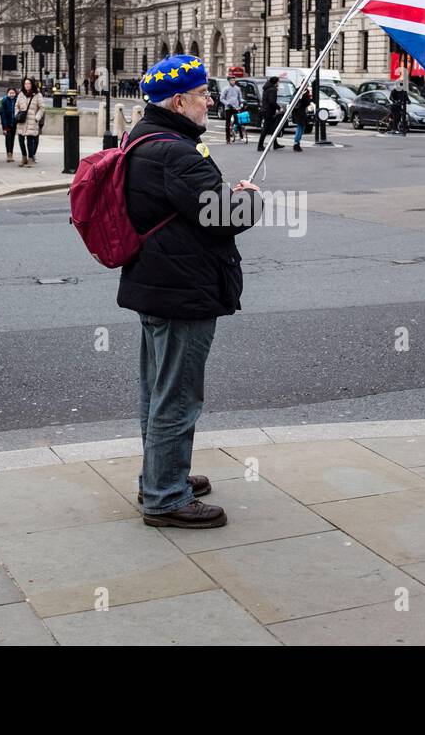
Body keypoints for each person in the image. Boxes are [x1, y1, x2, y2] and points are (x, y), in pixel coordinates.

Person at [119, 54, 261, 529]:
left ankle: (161, 475)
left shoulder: (143, 136)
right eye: (202, 94)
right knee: (177, 396)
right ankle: (164, 497)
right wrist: (249, 199)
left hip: (157, 281)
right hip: (182, 287)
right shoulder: (176, 152)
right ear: (179, 101)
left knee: (158, 390)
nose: (210, 101)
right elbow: (224, 218)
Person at [15, 77, 45, 167]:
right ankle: (24, 157)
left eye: (28, 83)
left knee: (30, 140)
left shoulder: (37, 95)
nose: (27, 85)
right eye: (25, 84)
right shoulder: (21, 94)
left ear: (32, 84)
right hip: (22, 120)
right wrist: (16, 114)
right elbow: (16, 106)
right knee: (20, 139)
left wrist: (37, 118)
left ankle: (30, 158)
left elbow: (42, 107)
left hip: (32, 120)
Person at [257, 75, 283, 151]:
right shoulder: (272, 90)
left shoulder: (267, 88)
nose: (279, 83)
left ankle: (275, 144)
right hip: (268, 111)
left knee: (272, 128)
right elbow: (272, 102)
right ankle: (260, 146)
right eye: (278, 81)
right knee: (265, 129)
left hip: (265, 110)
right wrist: (279, 108)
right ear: (275, 82)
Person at [220, 74, 243, 144]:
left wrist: (241, 103)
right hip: (228, 108)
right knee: (227, 124)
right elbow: (221, 98)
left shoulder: (238, 89)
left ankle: (241, 136)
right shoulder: (226, 89)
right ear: (229, 81)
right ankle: (228, 139)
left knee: (238, 122)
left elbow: (240, 98)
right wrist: (227, 104)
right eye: (231, 80)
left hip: (236, 107)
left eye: (234, 80)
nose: (233, 81)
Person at [0, 86, 18, 163]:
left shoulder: (17, 101)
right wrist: (4, 126)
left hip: (14, 123)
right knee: (8, 138)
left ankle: (11, 153)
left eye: (13, 93)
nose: (12, 94)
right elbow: (2, 114)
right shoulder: (4, 101)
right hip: (7, 124)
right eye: (10, 93)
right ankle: (8, 154)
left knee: (12, 139)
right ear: (7, 93)